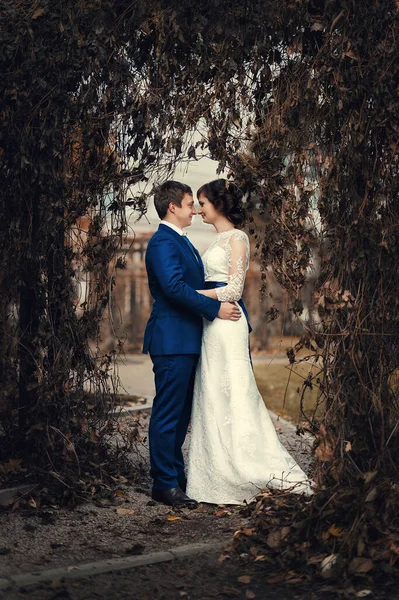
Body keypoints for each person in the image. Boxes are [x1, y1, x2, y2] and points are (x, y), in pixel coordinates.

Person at [186, 179, 313, 504]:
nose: (199, 209)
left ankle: (248, 463)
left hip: (227, 320)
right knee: (213, 390)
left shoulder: (237, 239)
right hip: (212, 321)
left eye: (202, 203)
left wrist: (191, 295)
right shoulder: (216, 240)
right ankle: (215, 471)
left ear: (218, 204)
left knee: (234, 390)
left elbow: (233, 289)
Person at [143, 180, 242, 509]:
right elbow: (172, 287)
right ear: (173, 207)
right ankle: (163, 483)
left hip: (186, 338)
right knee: (168, 413)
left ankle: (176, 476)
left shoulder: (180, 241)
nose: (194, 210)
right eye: (189, 204)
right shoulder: (162, 242)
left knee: (181, 413)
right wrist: (215, 308)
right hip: (171, 340)